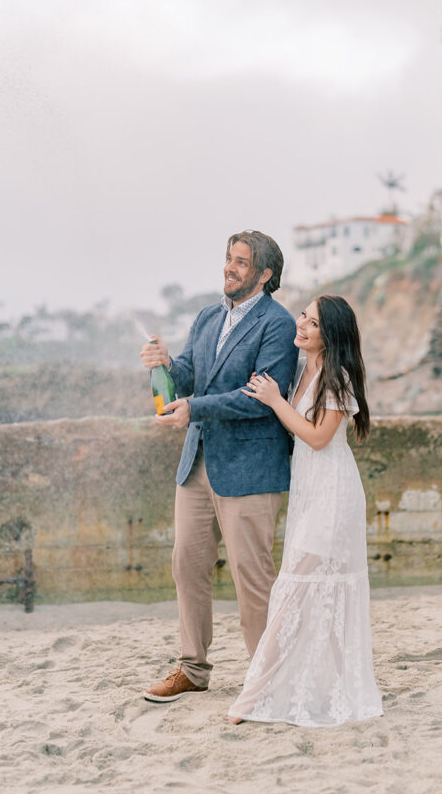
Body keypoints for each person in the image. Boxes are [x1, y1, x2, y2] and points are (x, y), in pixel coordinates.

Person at [140, 230, 298, 702]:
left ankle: (268, 678)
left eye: (242, 262)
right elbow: (191, 373)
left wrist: (195, 408)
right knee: (187, 567)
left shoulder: (279, 325)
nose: (230, 268)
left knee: (254, 578)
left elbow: (262, 394)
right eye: (229, 258)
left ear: (265, 274)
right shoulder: (209, 316)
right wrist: (166, 363)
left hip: (251, 468)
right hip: (197, 465)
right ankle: (192, 668)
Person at [227, 295, 383, 727]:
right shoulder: (302, 369)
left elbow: (317, 438)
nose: (302, 325)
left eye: (312, 323)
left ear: (329, 335)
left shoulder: (338, 377)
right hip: (309, 490)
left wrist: (276, 401)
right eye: (303, 316)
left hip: (333, 493)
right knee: (309, 591)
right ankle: (312, 688)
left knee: (296, 589)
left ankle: (252, 696)